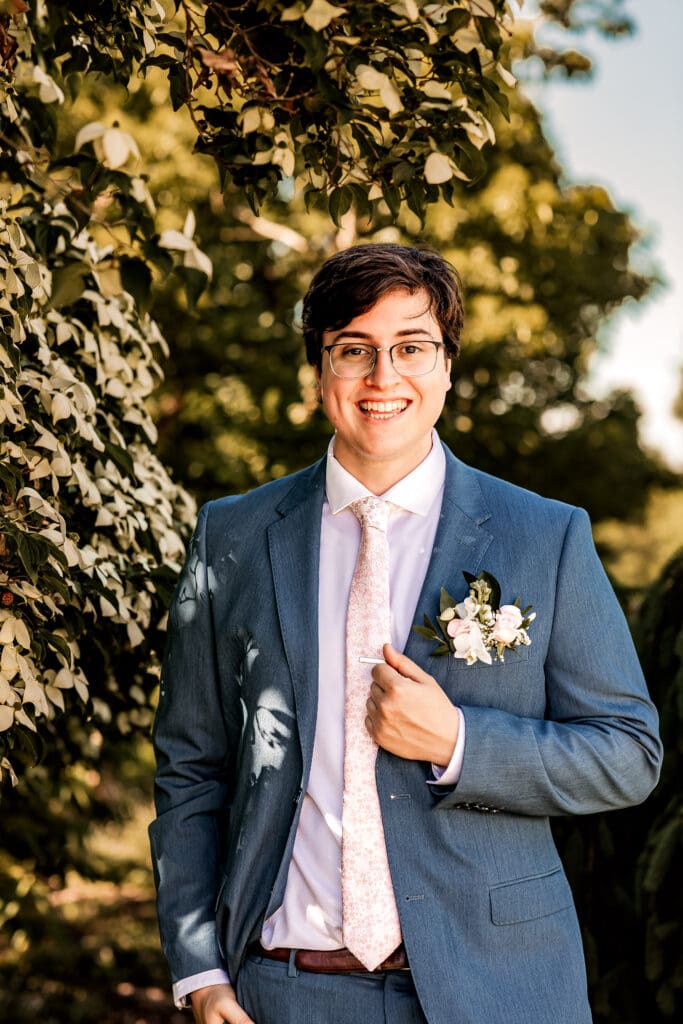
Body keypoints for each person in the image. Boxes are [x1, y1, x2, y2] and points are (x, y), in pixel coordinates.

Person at [149, 243, 662, 1024]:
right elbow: (191, 766)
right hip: (281, 992)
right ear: (320, 369)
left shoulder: (544, 536)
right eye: (353, 350)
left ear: (447, 365)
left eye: (411, 347)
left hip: (495, 990)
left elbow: (628, 753)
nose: (383, 377)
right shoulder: (233, 535)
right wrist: (200, 973)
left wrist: (460, 741)